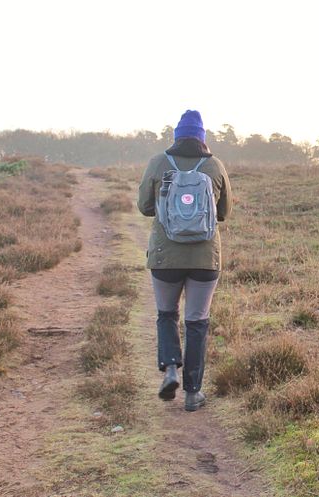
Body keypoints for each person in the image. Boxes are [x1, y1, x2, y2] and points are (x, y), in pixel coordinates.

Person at [137, 109, 232, 411]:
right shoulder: (215, 165)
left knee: (166, 314)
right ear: (202, 138)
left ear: (176, 136)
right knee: (196, 322)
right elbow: (225, 212)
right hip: (205, 257)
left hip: (166, 256)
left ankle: (169, 370)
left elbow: (144, 207)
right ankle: (193, 393)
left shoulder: (158, 162)